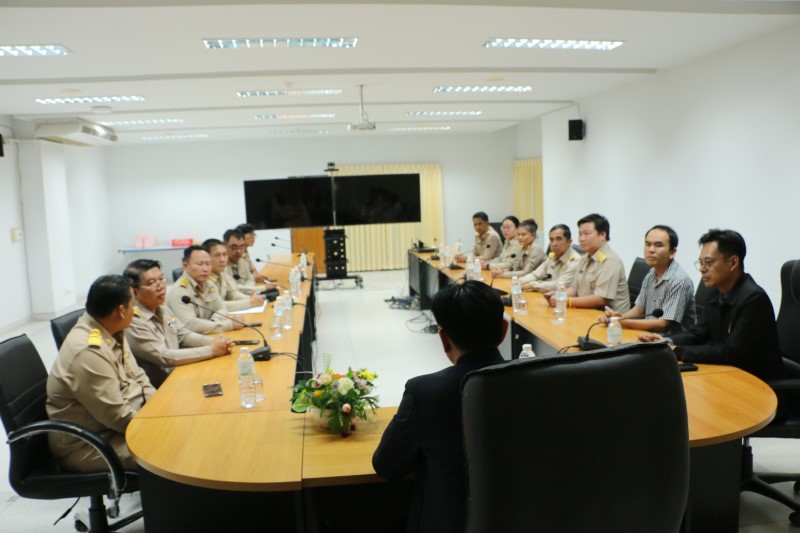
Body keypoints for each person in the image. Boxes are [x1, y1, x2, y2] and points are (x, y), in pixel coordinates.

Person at [372, 281, 507, 533]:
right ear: (504, 331)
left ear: (444, 339)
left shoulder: (425, 392)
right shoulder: (535, 384)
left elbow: (386, 466)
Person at [639, 229, 783, 381]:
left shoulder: (754, 299)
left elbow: (731, 352)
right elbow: (697, 334)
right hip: (723, 373)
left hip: (756, 382)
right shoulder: (716, 292)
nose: (702, 269)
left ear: (733, 262)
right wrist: (666, 342)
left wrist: (677, 351)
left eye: (709, 262)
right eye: (701, 263)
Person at [46, 275, 155, 471]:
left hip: (119, 426)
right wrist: (159, 427)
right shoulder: (88, 352)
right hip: (92, 444)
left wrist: (160, 411)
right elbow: (117, 417)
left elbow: (138, 376)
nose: (135, 309)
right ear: (121, 310)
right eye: (133, 304)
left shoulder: (112, 329)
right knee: (171, 449)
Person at [123, 259, 233, 388]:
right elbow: (165, 357)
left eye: (161, 279)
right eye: (151, 283)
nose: (160, 286)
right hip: (158, 388)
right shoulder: (133, 321)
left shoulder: (162, 308)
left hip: (179, 375)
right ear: (135, 292)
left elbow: (183, 335)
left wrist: (217, 342)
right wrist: (212, 350)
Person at [599, 225, 695, 333]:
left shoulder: (679, 280)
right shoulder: (651, 274)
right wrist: (617, 319)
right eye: (648, 244)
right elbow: (639, 309)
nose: (651, 250)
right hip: (648, 335)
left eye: (658, 245)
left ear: (672, 252)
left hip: (671, 340)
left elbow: (663, 324)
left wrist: (621, 322)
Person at [547, 213, 630, 313]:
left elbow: (600, 299)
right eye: (580, 234)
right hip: (587, 312)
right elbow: (574, 289)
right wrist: (559, 295)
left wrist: (567, 301)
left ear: (603, 235)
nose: (581, 239)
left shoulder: (610, 261)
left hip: (609, 318)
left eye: (586, 234)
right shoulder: (585, 258)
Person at [166, 245, 244, 334]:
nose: (205, 269)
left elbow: (222, 309)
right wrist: (229, 325)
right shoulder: (179, 291)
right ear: (185, 266)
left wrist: (213, 322)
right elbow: (192, 325)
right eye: (200, 264)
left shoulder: (209, 284)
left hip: (209, 334)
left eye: (208, 264)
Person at [203, 238, 266, 311]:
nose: (223, 259)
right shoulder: (203, 278)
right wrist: (249, 302)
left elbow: (233, 294)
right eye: (217, 255)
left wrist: (252, 298)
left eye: (224, 254)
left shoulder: (221, 273)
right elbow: (215, 306)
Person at [520, 224, 581, 293]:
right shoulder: (552, 257)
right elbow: (535, 275)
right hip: (548, 294)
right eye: (551, 240)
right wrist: (520, 282)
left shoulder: (575, 260)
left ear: (569, 242)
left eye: (559, 239)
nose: (554, 244)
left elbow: (560, 284)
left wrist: (532, 285)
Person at [224, 229, 258, 294]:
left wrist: (248, 290)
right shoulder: (221, 264)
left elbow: (251, 280)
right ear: (224, 246)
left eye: (241, 246)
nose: (238, 251)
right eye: (234, 247)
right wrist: (264, 287)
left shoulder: (242, 261)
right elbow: (233, 289)